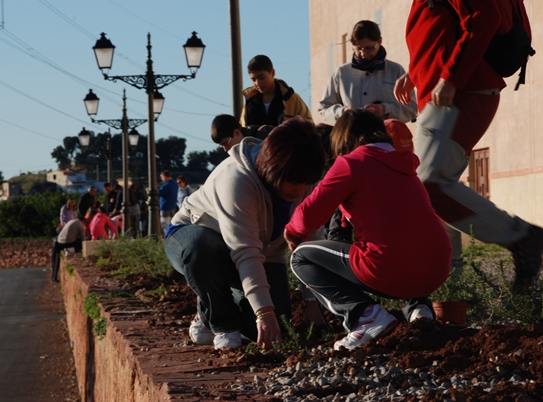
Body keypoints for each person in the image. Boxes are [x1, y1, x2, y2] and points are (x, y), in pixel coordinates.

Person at [393, 0, 542, 292]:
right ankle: (448, 294)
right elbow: (443, 27)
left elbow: (483, 17)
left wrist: (450, 76)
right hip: (449, 91)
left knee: (429, 184)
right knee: (433, 188)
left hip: (463, 91)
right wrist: (418, 69)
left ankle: (521, 237)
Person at [284, 109, 452, 351]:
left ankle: (367, 317)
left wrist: (293, 232)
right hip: (436, 268)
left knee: (301, 257)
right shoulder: (404, 165)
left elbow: (310, 212)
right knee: (405, 239)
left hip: (390, 268)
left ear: (343, 138)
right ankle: (419, 310)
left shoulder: (352, 163)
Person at [164, 117, 325, 350]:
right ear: (273, 168)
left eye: (307, 183)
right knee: (203, 249)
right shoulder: (237, 179)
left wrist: (311, 304)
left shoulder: (302, 181)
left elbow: (310, 242)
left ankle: (223, 297)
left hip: (257, 253)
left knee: (274, 326)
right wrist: (263, 312)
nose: (301, 191)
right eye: (294, 183)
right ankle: (219, 320)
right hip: (195, 238)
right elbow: (245, 252)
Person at [319, 20, 417, 125]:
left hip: (386, 138)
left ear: (379, 41)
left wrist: (385, 109)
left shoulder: (395, 71)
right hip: (352, 138)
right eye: (358, 48)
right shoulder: (341, 73)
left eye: (369, 48)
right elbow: (324, 109)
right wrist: (343, 112)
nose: (363, 54)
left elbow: (411, 109)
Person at [240, 55, 313, 127]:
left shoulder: (292, 99)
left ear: (272, 73)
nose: (258, 83)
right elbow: (242, 131)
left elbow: (309, 129)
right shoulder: (249, 103)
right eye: (253, 80)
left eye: (262, 78)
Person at [51, 217, 86, 282]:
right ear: (83, 221)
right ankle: (70, 250)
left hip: (58, 241)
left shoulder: (71, 221)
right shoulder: (80, 225)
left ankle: (54, 277)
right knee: (80, 243)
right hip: (67, 243)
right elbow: (83, 241)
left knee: (55, 259)